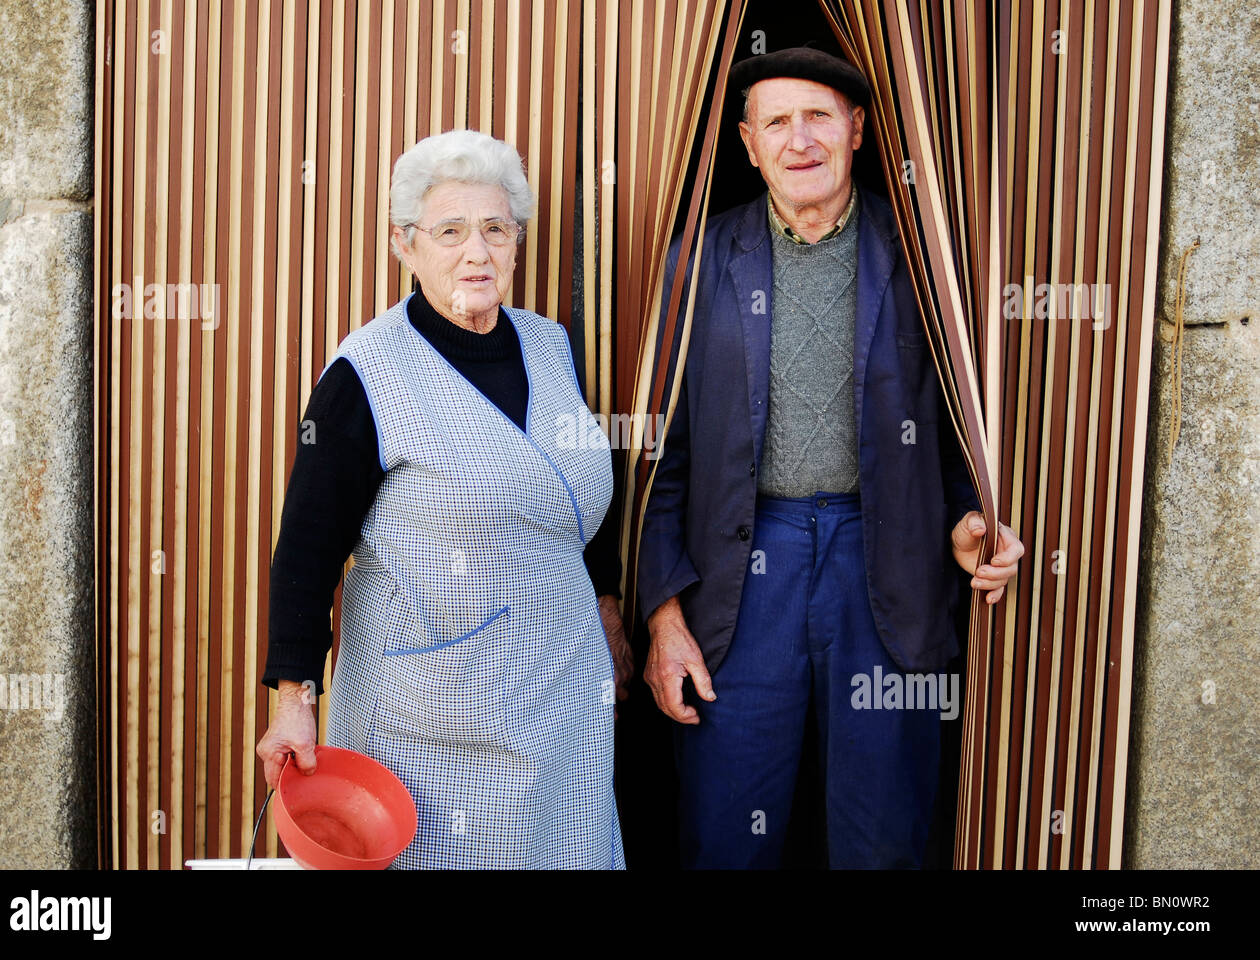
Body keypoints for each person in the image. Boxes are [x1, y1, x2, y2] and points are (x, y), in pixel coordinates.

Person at [636, 46, 1024, 869]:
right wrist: (664, 617)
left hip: (882, 560)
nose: (799, 138)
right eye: (777, 121)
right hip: (738, 575)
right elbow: (661, 457)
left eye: (818, 115)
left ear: (858, 128)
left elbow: (956, 421)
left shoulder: (924, 257)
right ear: (746, 143)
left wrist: (965, 519)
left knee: (880, 835)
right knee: (724, 832)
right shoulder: (699, 262)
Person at [256, 129, 632, 869]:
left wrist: (610, 609)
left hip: (562, 700)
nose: (477, 253)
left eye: (496, 229)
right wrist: (292, 701)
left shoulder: (551, 345)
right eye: (451, 232)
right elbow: (306, 548)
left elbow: (569, 504)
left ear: (518, 242)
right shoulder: (365, 374)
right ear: (405, 245)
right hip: (429, 718)